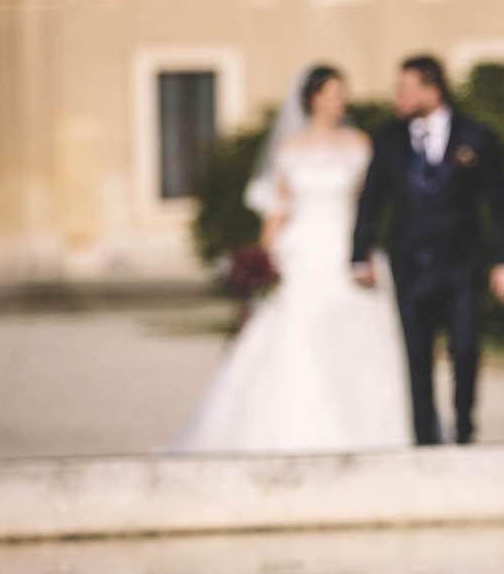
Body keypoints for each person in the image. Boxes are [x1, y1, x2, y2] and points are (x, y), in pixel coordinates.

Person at [170, 64, 414, 453]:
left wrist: (364, 250)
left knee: (354, 342)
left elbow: (369, 206)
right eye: (333, 93)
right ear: (313, 98)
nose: (341, 101)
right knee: (297, 341)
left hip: (346, 250)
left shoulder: (360, 144)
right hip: (301, 252)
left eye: (343, 93)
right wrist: (261, 266)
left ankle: (367, 433)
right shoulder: (289, 148)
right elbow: (277, 214)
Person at [352, 55, 504, 446]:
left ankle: (464, 427)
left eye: (407, 88)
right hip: (409, 262)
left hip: (462, 261)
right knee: (416, 353)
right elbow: (372, 199)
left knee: (465, 346)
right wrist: (359, 251)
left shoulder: (476, 136)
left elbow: (499, 203)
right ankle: (424, 436)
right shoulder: (389, 139)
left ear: (433, 89)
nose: (399, 96)